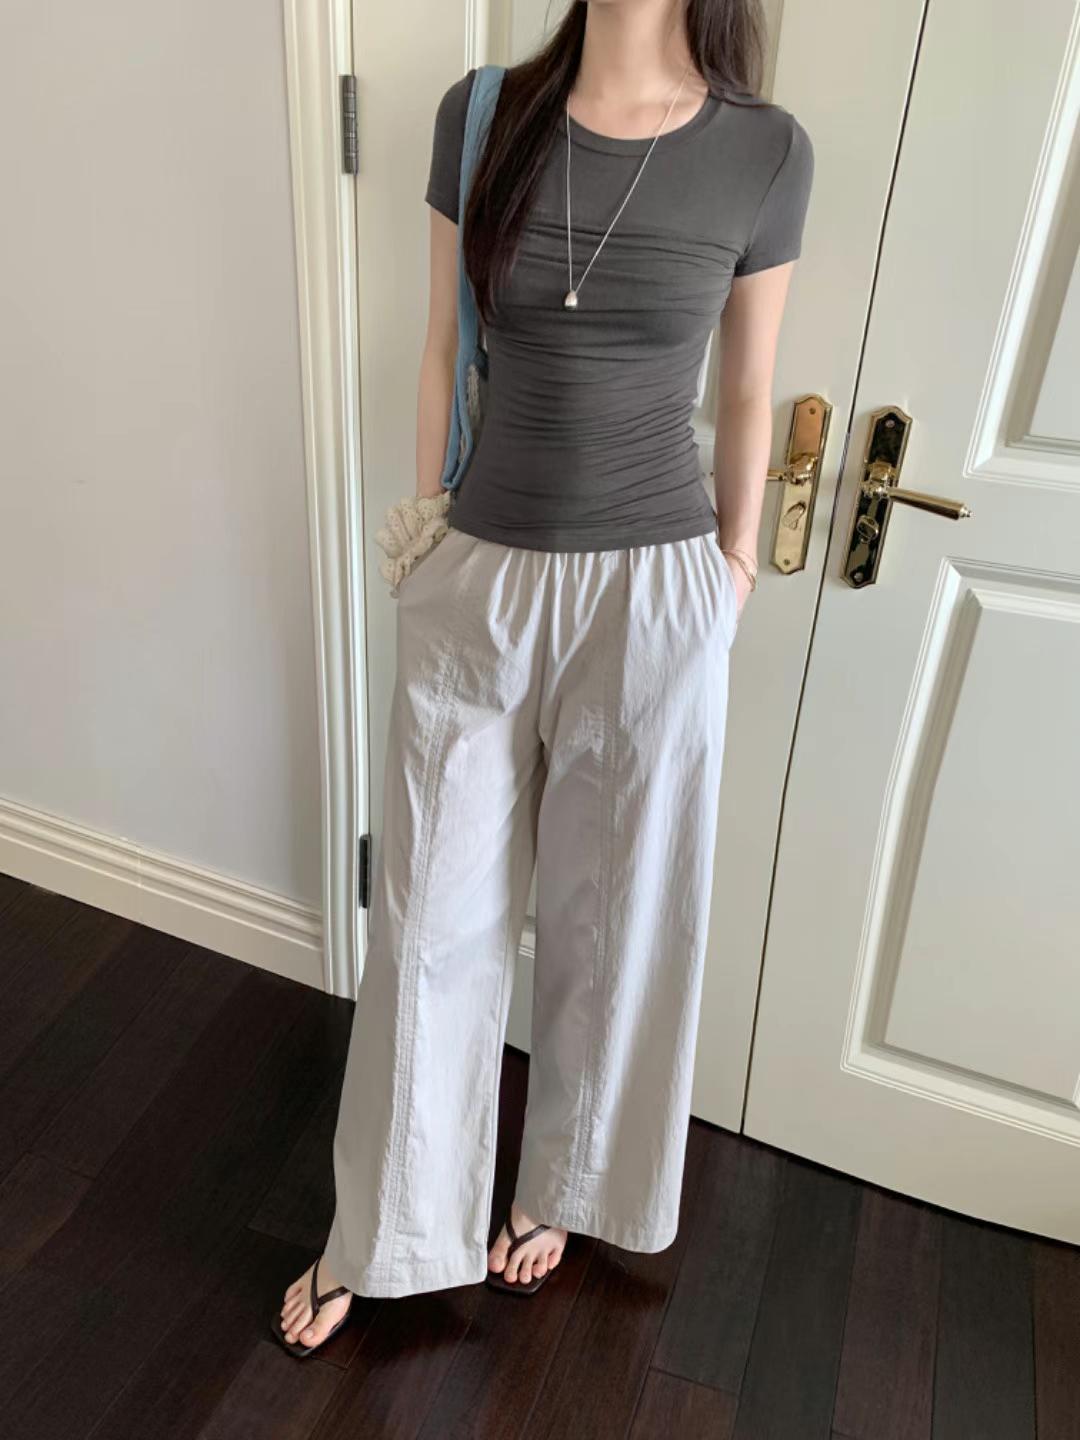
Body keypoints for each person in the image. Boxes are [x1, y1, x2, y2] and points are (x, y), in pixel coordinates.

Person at [275, 0, 813, 1352]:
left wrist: (734, 568)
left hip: (658, 592)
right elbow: (442, 341)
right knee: (428, 920)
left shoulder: (764, 151)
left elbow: (749, 389)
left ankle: (565, 1188)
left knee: (613, 918)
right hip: (480, 573)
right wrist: (425, 527)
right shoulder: (481, 118)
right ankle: (385, 1231)